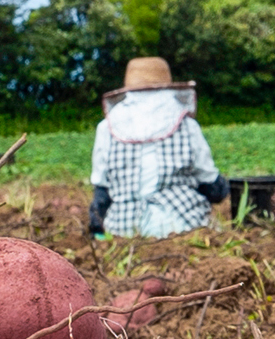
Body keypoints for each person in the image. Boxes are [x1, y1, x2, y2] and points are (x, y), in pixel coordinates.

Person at [88, 57, 229, 238]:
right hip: (181, 223)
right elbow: (211, 185)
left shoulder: (106, 127)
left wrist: (96, 230)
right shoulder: (185, 124)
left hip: (124, 228)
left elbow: (101, 190)